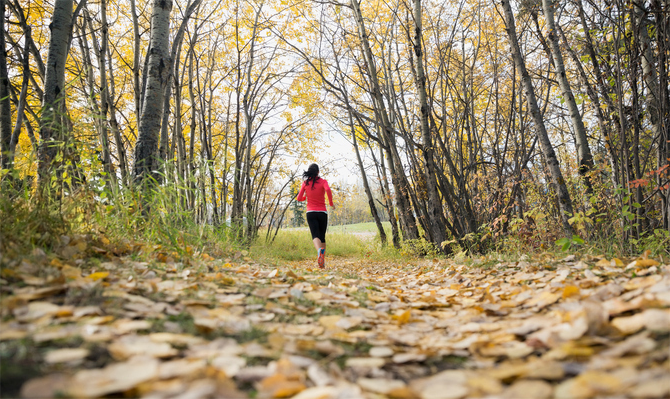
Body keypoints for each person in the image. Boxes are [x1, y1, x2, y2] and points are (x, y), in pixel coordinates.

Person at [296, 163, 334, 268]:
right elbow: (328, 190)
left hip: (311, 213)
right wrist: (331, 203)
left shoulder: (305, 183)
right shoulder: (323, 181)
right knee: (322, 237)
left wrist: (305, 198)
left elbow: (299, 198)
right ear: (318, 172)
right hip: (322, 212)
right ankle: (322, 262)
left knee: (315, 235)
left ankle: (319, 252)